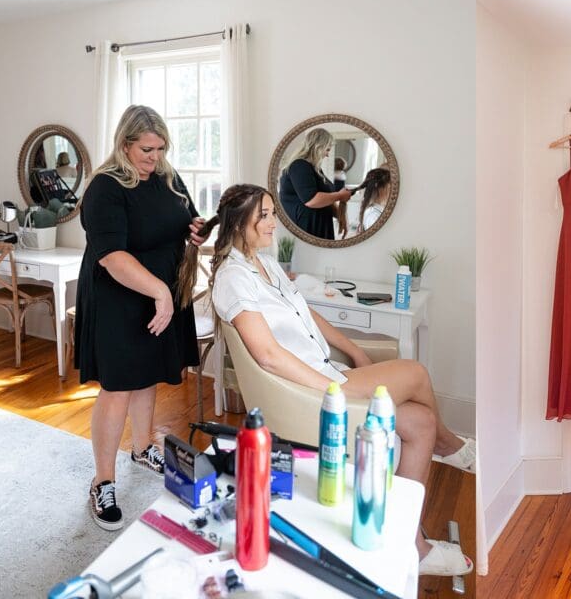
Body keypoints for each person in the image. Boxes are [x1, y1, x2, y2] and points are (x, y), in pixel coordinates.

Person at [204, 184, 475, 576]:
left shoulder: (266, 264)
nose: (273, 223)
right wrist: (332, 388)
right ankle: (452, 451)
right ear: (237, 221)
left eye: (272, 214)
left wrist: (356, 352)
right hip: (306, 395)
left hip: (324, 376)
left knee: (422, 422)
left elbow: (307, 314)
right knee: (415, 373)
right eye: (263, 215)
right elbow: (267, 355)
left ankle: (411, 542)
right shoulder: (233, 277)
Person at [75, 105, 205, 530]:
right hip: (121, 297)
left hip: (159, 294)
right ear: (124, 143)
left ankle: (143, 445)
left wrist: (196, 228)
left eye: (161, 148)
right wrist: (159, 292)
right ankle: (103, 480)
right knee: (118, 387)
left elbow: (185, 220)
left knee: (147, 376)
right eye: (146, 149)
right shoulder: (105, 187)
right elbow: (111, 256)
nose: (154, 156)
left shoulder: (167, 176)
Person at [278, 128, 351, 239]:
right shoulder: (299, 166)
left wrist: (341, 217)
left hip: (318, 225)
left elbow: (326, 198)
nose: (327, 155)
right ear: (318, 146)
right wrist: (340, 196)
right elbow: (311, 200)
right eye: (327, 150)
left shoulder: (313, 168)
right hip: (308, 228)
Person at [355, 166, 392, 234]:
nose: (392, 190)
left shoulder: (376, 212)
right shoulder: (374, 216)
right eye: (390, 186)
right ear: (381, 189)